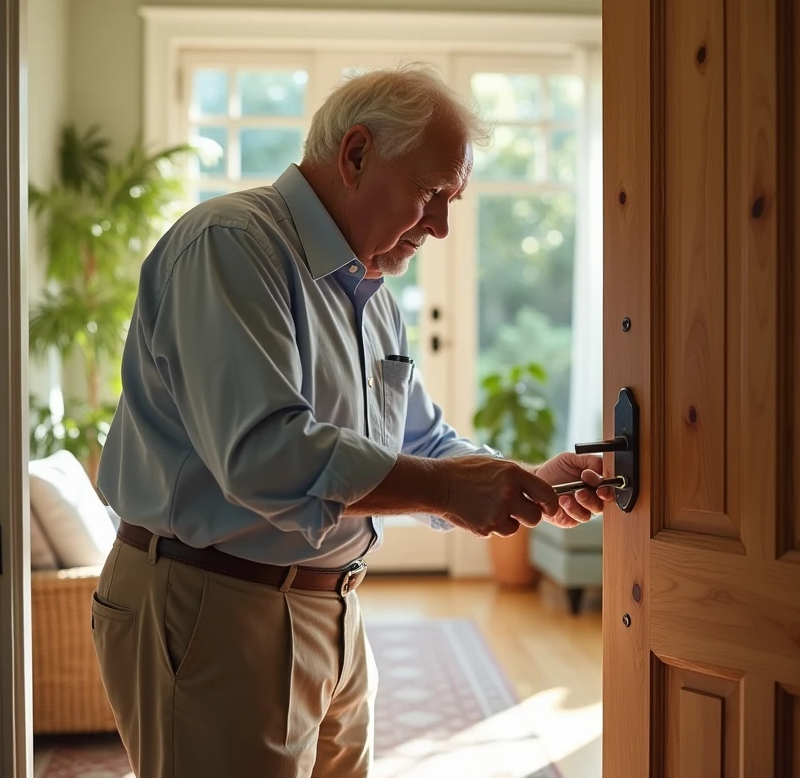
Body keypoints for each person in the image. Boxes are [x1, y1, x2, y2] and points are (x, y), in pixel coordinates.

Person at [91, 63, 611, 778]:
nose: (442, 226)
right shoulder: (231, 246)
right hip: (213, 607)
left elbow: (420, 441)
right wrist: (449, 491)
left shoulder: (372, 291)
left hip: (331, 612)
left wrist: (523, 481)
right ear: (357, 153)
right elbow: (265, 454)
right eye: (431, 193)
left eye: (452, 200)